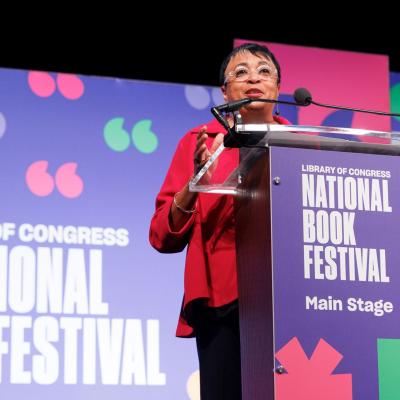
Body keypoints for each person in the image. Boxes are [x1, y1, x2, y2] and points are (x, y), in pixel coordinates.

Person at [149, 43, 290, 400]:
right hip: (223, 300)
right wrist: (195, 183)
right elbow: (161, 236)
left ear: (277, 88)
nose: (253, 78)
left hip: (293, 297)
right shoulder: (201, 142)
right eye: (240, 72)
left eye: (264, 71)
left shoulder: (304, 145)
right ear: (225, 91)